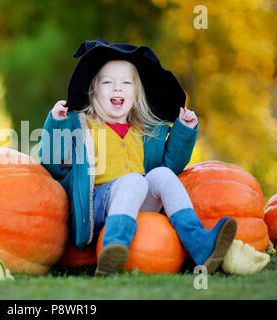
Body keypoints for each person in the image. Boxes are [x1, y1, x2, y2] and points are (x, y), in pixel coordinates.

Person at [39, 39, 237, 276]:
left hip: (137, 200)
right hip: (96, 208)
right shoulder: (82, 126)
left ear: (136, 93)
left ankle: (200, 244)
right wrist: (57, 123)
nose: (117, 88)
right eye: (107, 83)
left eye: (125, 83)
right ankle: (113, 247)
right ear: (94, 91)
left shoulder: (144, 132)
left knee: (160, 175)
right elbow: (54, 165)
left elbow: (171, 166)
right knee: (134, 180)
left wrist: (183, 131)